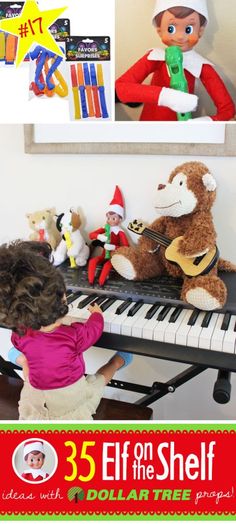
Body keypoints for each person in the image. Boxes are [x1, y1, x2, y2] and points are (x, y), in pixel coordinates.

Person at [0, 241, 133, 420]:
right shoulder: (73, 335)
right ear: (60, 305)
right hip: (70, 399)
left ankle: (23, 361)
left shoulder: (20, 332)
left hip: (37, 395)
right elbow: (94, 331)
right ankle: (117, 362)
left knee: (29, 370)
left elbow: (18, 341)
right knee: (98, 382)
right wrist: (97, 315)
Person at [116, 0, 235, 121]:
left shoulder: (201, 66)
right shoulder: (155, 58)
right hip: (148, 130)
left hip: (181, 134)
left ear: (200, 31)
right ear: (159, 31)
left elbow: (228, 109)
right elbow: (120, 88)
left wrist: (204, 123)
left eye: (188, 29)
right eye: (171, 28)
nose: (180, 36)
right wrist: (167, 96)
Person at [88, 186, 129, 286]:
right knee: (93, 261)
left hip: (113, 256)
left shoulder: (120, 232)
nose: (110, 220)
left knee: (107, 265)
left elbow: (126, 248)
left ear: (120, 219)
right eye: (108, 218)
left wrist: (114, 247)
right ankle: (90, 281)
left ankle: (101, 283)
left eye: (113, 218)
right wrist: (99, 237)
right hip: (104, 255)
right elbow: (91, 235)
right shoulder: (105, 227)